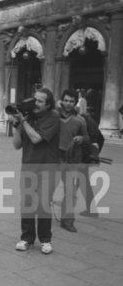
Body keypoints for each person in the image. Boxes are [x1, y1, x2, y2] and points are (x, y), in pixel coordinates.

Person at [12, 87, 60, 255]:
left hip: (48, 168)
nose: (36, 103)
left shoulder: (53, 118)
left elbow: (37, 138)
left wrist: (23, 122)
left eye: (40, 101)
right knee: (27, 203)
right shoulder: (29, 117)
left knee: (43, 204)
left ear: (48, 105)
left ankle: (46, 240)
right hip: (28, 166)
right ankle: (26, 238)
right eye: (35, 99)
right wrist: (16, 126)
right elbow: (17, 145)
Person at [56, 89, 89, 232]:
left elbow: (87, 138)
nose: (68, 103)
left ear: (75, 103)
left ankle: (67, 220)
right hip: (53, 158)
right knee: (46, 188)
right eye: (66, 100)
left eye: (71, 101)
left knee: (70, 191)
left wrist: (81, 139)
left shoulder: (80, 120)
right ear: (61, 101)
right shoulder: (53, 116)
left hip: (71, 159)